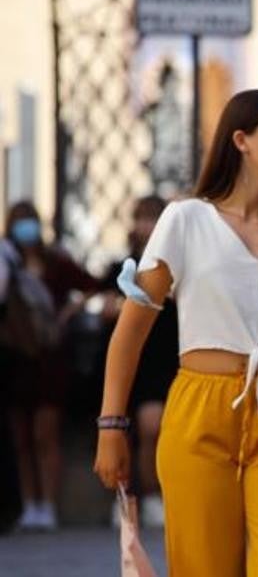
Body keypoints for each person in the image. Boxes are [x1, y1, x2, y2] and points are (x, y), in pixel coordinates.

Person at [93, 89, 258, 575]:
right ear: (241, 140)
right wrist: (111, 425)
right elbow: (130, 330)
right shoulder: (185, 219)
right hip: (198, 410)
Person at [5, 201, 101, 531]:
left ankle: (47, 504)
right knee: (21, 436)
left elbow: (93, 284)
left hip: (50, 357)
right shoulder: (9, 265)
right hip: (18, 358)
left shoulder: (57, 263)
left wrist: (65, 315)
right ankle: (30, 504)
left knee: (45, 433)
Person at [102, 196, 181, 528]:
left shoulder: (177, 264)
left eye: (153, 218)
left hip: (167, 359)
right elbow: (107, 308)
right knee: (127, 429)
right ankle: (128, 497)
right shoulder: (123, 267)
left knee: (154, 426)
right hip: (135, 359)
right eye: (142, 218)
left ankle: (153, 496)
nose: (146, 225)